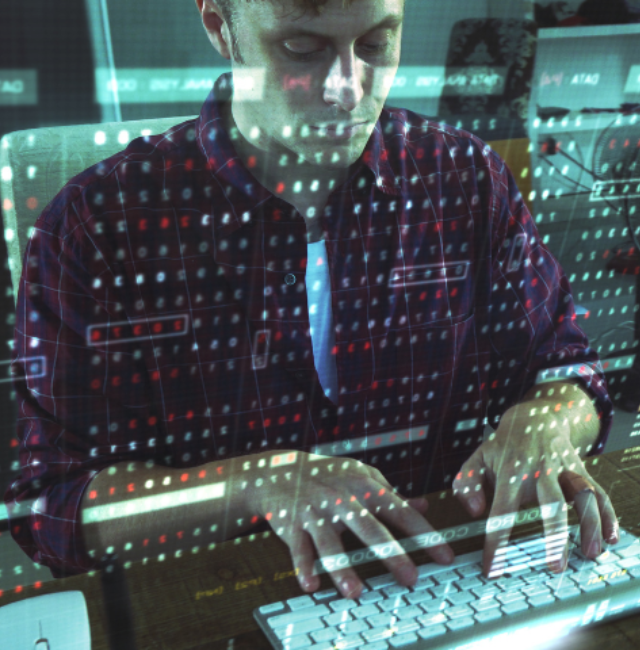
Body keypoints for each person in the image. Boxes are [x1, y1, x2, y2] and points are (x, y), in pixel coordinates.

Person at [5, 0, 617, 600]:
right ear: (221, 26)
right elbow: (51, 506)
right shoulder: (97, 227)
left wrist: (548, 419)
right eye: (302, 48)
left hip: (460, 584)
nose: (347, 91)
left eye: (377, 44)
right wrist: (252, 486)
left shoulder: (466, 178)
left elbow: (567, 366)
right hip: (236, 600)